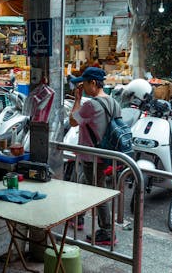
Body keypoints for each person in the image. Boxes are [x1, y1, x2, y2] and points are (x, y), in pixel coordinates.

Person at [69, 66, 119, 246]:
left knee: (98, 193)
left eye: (84, 83)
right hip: (105, 155)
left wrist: (77, 99)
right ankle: (78, 217)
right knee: (84, 184)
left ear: (93, 83)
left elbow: (73, 121)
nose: (82, 87)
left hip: (92, 157)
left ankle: (107, 231)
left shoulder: (90, 104)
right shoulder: (113, 102)